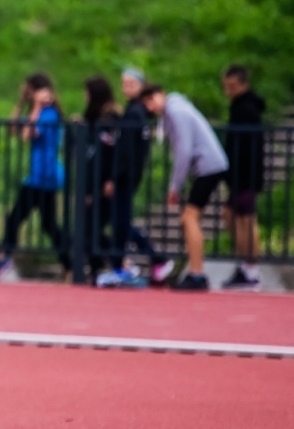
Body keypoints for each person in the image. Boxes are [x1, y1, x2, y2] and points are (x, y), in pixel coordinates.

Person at [140, 84, 230, 291]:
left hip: (208, 166)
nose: (150, 108)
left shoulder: (175, 111)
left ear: (160, 95)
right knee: (189, 217)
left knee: (189, 217)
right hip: (207, 165)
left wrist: (175, 186)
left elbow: (184, 150)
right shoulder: (174, 110)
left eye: (150, 101)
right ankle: (196, 271)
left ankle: (197, 274)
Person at [0, 73, 66, 280]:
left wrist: (36, 107)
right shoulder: (40, 112)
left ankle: (5, 260)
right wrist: (22, 102)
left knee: (19, 220)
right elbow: (13, 128)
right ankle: (69, 262)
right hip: (36, 176)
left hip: (45, 176)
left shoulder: (49, 114)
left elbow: (27, 134)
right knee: (44, 224)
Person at [117, 68, 173, 284]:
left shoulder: (136, 113)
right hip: (127, 174)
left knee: (121, 221)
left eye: (132, 84)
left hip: (126, 175)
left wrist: (121, 174)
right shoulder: (134, 110)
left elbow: (129, 150)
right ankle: (125, 261)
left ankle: (152, 257)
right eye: (124, 84)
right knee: (119, 221)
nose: (127, 88)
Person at [83, 75, 136, 288]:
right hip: (97, 179)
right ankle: (111, 262)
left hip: (104, 181)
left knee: (97, 227)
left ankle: (121, 261)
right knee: (92, 228)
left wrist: (109, 179)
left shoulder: (111, 117)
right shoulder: (96, 116)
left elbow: (110, 153)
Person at [221, 65, 266, 291]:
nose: (228, 90)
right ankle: (245, 264)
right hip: (239, 174)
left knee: (245, 220)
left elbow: (248, 147)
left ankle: (251, 269)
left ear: (243, 84)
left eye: (232, 86)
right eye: (226, 86)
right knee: (230, 215)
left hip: (246, 175)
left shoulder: (246, 109)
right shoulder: (240, 107)